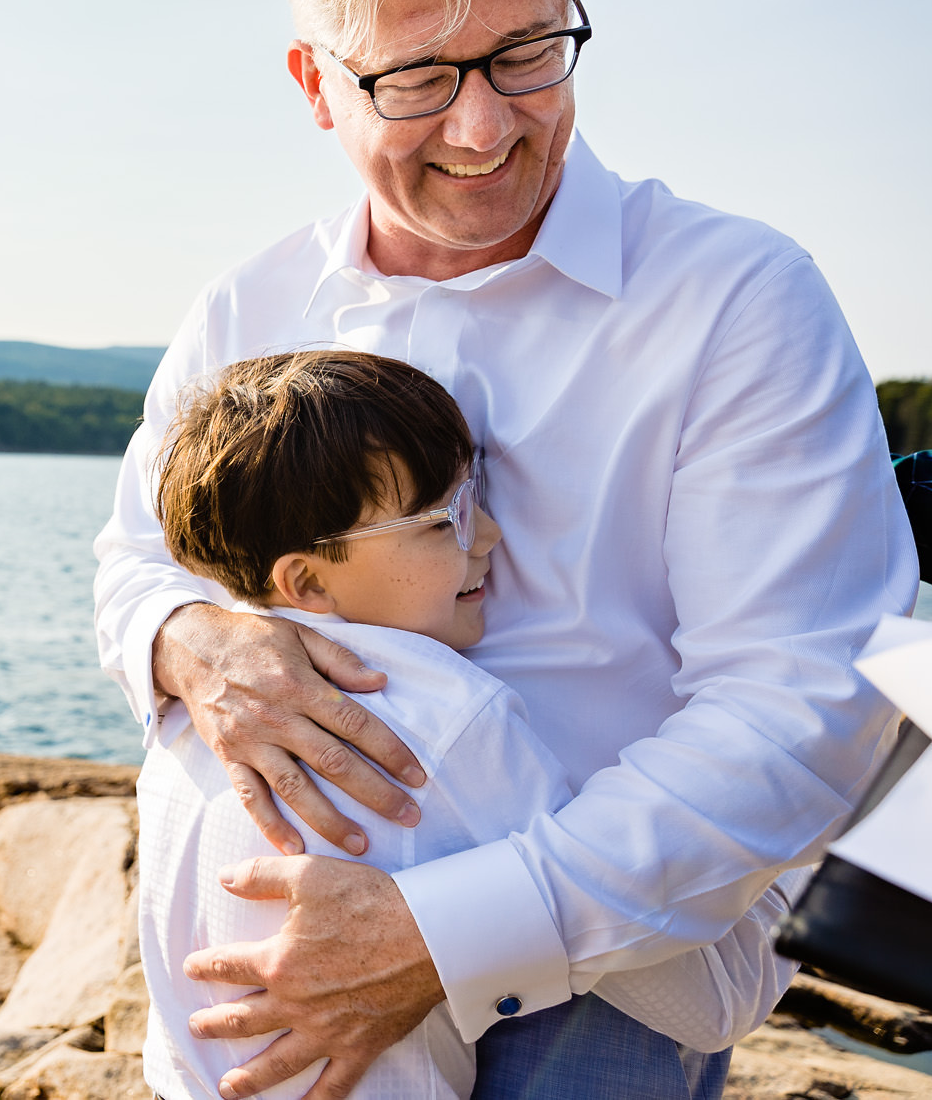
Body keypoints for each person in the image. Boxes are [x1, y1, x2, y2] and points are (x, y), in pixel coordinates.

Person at [93, 0, 919, 1100]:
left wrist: (443, 935)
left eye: (524, 52)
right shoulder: (242, 308)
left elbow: (801, 705)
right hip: (278, 929)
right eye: (414, 78)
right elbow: (137, 559)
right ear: (315, 84)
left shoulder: (734, 296)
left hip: (614, 961)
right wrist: (189, 641)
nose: (481, 128)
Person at [139, 349, 799, 1099]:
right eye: (445, 517)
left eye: (472, 495)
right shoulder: (448, 719)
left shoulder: (185, 716)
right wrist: (799, 851)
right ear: (308, 580)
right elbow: (701, 1007)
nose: (485, 533)